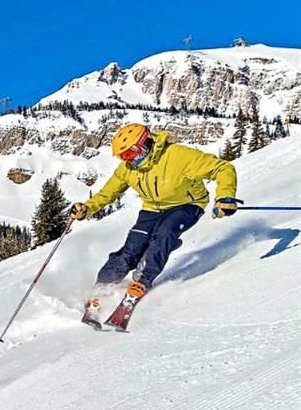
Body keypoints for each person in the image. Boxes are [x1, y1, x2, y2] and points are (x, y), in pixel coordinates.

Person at [71, 123, 239, 314]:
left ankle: (142, 280)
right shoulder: (128, 169)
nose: (127, 160)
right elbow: (107, 194)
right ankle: (103, 285)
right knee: (133, 246)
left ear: (142, 146)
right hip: (152, 209)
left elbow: (223, 168)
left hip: (187, 205)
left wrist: (225, 197)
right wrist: (87, 208)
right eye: (123, 156)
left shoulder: (178, 156)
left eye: (129, 154)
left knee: (165, 233)